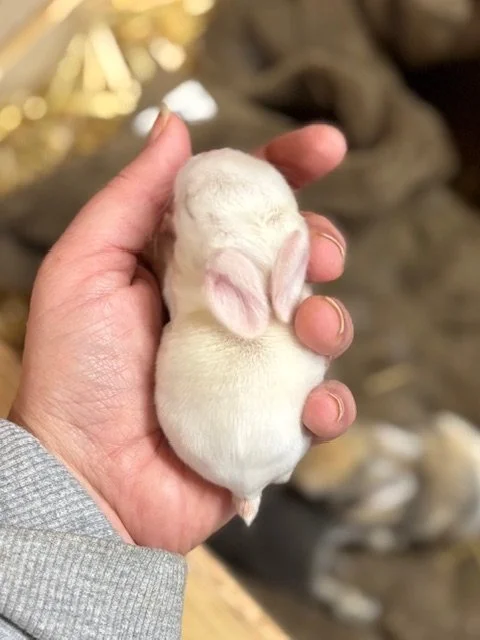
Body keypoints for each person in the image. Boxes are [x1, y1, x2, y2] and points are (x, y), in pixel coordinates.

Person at [0, 108, 355, 639]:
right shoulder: (248, 269)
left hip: (199, 444)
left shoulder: (202, 275)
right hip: (261, 446)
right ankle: (258, 482)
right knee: (302, 340)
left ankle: (254, 480)